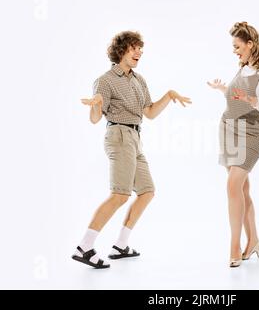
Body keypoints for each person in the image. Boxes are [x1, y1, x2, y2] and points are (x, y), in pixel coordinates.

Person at [72, 31, 191, 269]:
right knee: (120, 195)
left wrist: (168, 96)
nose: (138, 53)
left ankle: (120, 245)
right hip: (118, 135)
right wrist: (95, 105)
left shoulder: (139, 80)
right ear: (121, 50)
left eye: (140, 49)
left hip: (135, 137)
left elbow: (149, 113)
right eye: (133, 48)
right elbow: (95, 119)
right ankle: (84, 246)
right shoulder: (105, 80)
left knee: (147, 191)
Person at [207, 22, 259, 267]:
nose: (234, 51)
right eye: (233, 47)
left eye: (237, 46)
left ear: (250, 44)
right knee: (242, 190)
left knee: (233, 186)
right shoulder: (244, 67)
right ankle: (254, 241)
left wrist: (252, 99)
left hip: (251, 132)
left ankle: (234, 246)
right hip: (228, 128)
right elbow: (236, 99)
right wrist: (223, 90)